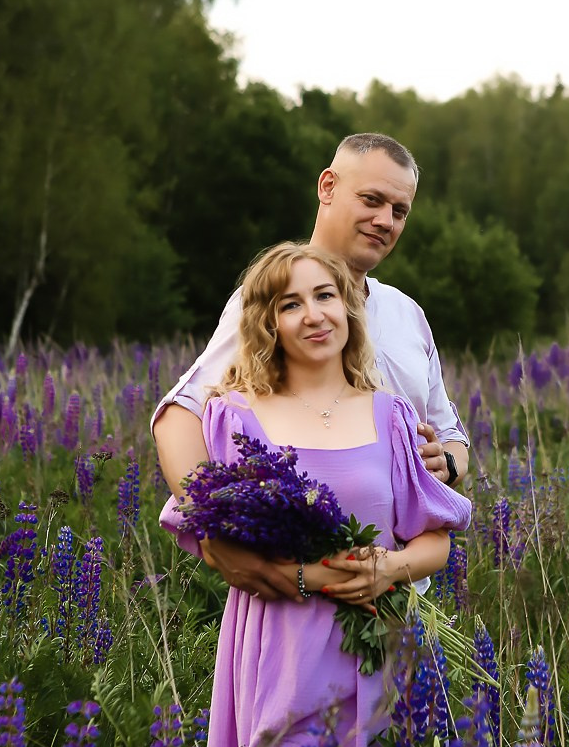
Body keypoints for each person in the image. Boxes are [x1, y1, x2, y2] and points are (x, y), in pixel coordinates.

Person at [161, 241, 471, 747]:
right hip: (280, 645)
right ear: (267, 323)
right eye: (290, 304)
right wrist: (309, 576)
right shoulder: (233, 417)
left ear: (347, 307)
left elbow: (437, 542)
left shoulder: (392, 416)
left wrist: (389, 568)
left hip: (380, 643)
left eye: (325, 296)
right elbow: (220, 540)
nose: (314, 315)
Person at [153, 132, 469, 600]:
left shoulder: (407, 314)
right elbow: (180, 414)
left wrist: (446, 464)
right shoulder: (268, 300)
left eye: (399, 211)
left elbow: (451, 436)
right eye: (371, 200)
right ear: (327, 187)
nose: (385, 221)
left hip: (404, 595)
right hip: (298, 597)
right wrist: (214, 529)